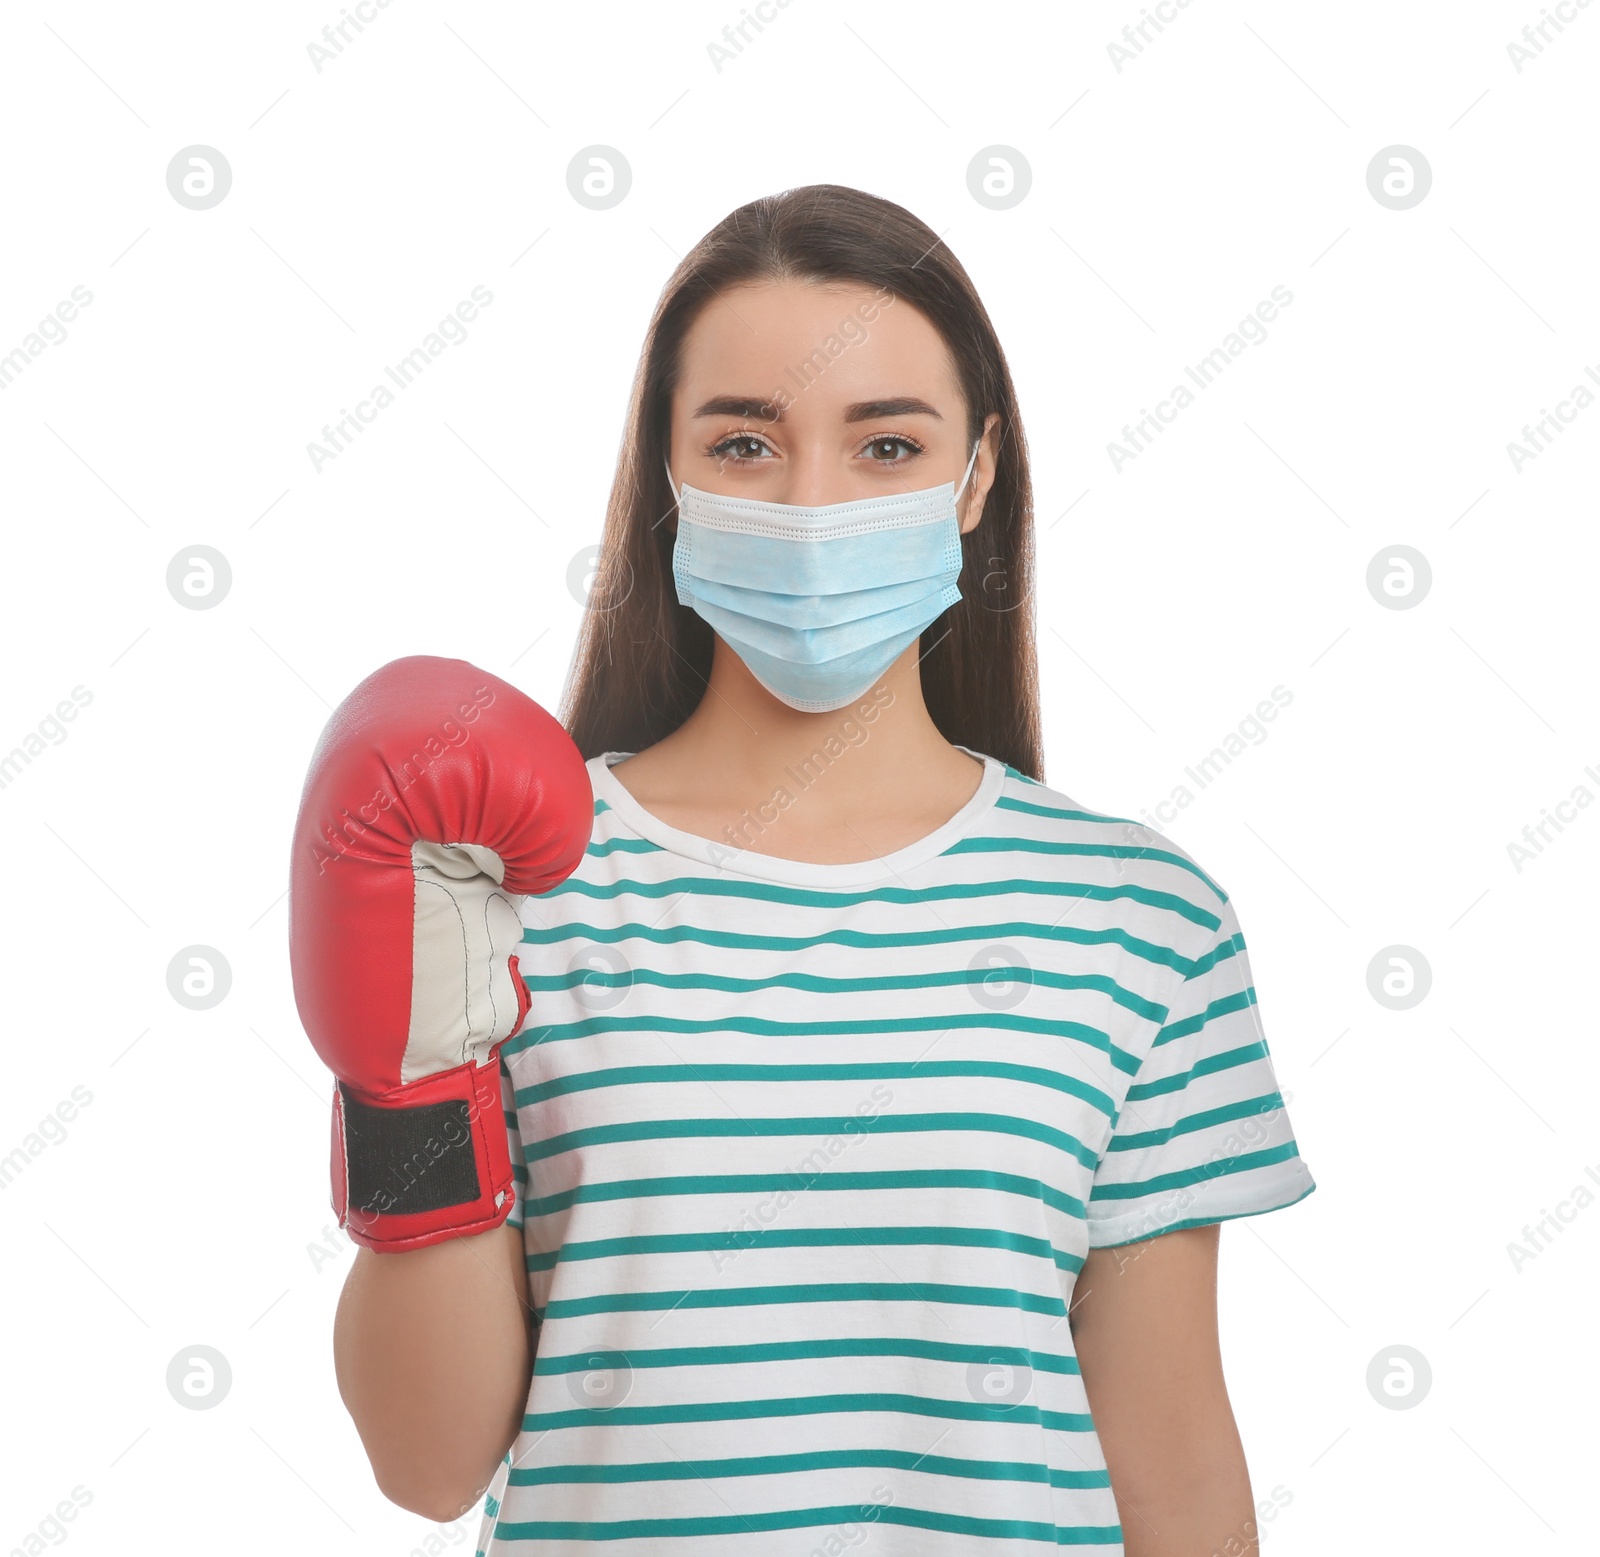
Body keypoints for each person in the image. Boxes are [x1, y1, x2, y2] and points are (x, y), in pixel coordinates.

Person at [328, 182, 1316, 1556]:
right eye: (743, 441)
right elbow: (428, 1463)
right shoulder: (505, 903)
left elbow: (1177, 1470)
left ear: (975, 475)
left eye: (885, 444)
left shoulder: (1140, 920)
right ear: (667, 481)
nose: (809, 502)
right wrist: (409, 1062)